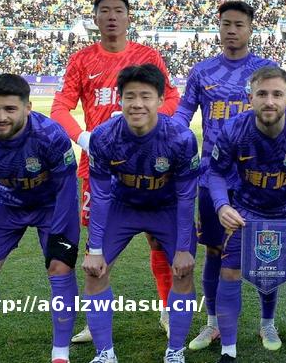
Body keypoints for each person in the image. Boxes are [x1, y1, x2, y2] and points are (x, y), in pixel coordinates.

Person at [51, 0, 181, 342]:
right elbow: (60, 107)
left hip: (150, 163)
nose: (111, 16)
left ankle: (168, 310)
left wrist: (156, 121)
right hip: (99, 167)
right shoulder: (81, 59)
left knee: (159, 240)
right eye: (104, 11)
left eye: (118, 11)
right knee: (98, 244)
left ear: (128, 17)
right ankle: (95, 322)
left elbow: (171, 96)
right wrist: (83, 138)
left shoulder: (147, 56)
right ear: (95, 18)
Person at [174, 0, 281, 352]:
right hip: (212, 176)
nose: (232, 30)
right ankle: (213, 324)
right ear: (218, 27)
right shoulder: (202, 71)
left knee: (266, 252)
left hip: (258, 177)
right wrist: (167, 137)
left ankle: (267, 323)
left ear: (251, 29)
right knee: (215, 251)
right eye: (226, 24)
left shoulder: (265, 70)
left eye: (239, 24)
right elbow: (183, 114)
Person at [81, 64, 200, 363]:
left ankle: (175, 351)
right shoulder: (103, 137)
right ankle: (105, 353)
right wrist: (95, 249)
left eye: (145, 96)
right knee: (95, 271)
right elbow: (101, 195)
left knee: (183, 271)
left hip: (167, 208)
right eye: (130, 96)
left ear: (160, 100)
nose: (137, 104)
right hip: (123, 206)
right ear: (119, 99)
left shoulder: (181, 138)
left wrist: (183, 248)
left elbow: (186, 196)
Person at [0, 73, 79, 363]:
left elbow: (66, 186)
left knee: (60, 266)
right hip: (5, 202)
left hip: (52, 204)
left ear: (27, 107)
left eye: (10, 109)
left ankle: (60, 354)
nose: (1, 117)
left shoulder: (51, 135)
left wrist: (59, 234)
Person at [207, 66, 286, 363]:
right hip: (248, 210)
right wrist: (222, 205)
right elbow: (216, 173)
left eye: (277, 94)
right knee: (229, 271)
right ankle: (228, 351)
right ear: (250, 98)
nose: (269, 101)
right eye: (262, 94)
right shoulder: (234, 129)